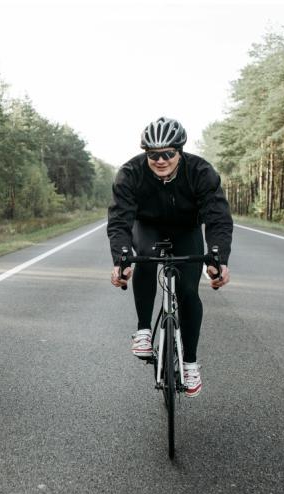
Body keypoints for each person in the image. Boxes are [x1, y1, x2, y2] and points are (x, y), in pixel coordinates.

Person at [107, 117, 232, 397]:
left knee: (188, 290)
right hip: (148, 226)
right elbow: (119, 220)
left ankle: (189, 363)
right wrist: (121, 259)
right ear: (145, 153)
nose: (160, 160)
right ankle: (143, 330)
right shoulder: (130, 173)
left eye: (168, 153)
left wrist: (218, 258)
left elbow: (218, 217)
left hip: (186, 228)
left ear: (180, 151)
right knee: (142, 262)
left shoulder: (200, 171)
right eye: (153, 154)